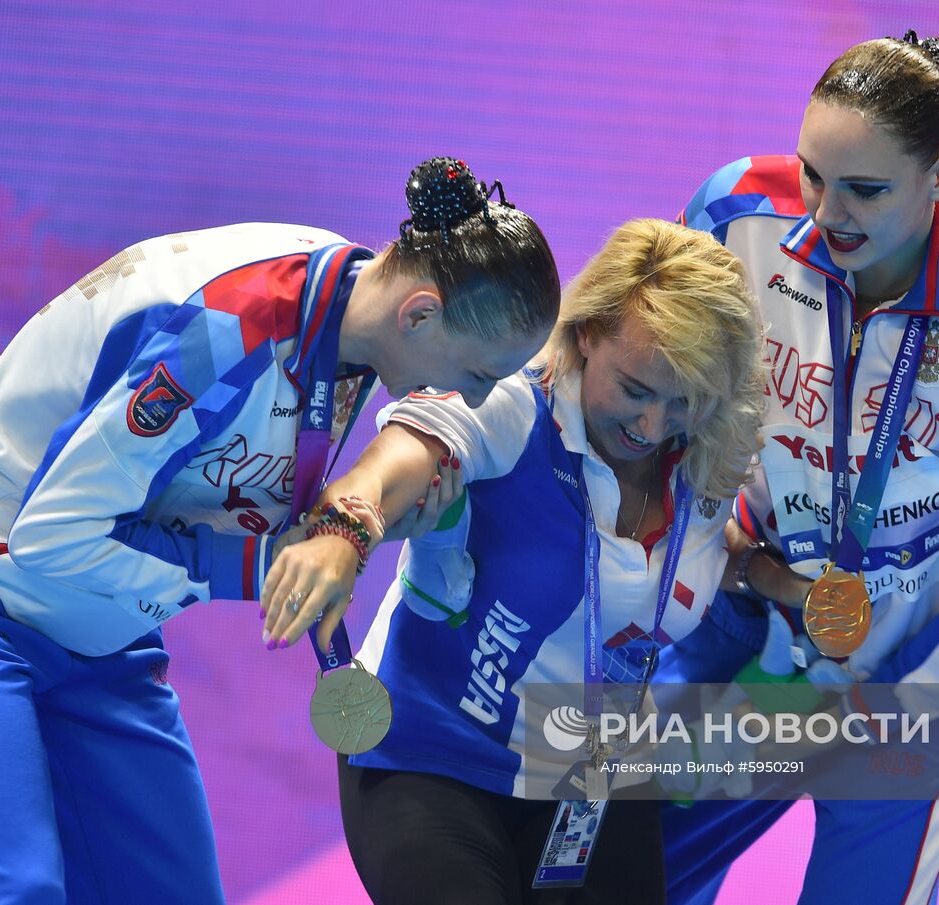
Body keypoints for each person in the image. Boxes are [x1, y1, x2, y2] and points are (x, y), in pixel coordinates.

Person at [0, 156, 560, 904]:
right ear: (419, 313)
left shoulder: (348, 316)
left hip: (97, 636)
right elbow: (52, 535)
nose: (472, 398)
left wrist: (328, 544)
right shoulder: (222, 333)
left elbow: (225, 480)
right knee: (7, 892)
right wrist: (258, 567)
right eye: (479, 374)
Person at [659, 32, 939, 905]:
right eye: (814, 173)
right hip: (736, 617)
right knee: (631, 875)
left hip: (914, 661)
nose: (826, 214)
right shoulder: (735, 214)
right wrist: (714, 559)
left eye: (865, 189)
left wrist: (896, 693)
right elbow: (655, 409)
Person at [259, 218, 767, 904]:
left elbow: (678, 567)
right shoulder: (511, 401)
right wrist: (343, 528)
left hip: (590, 776)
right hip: (431, 755)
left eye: (682, 400)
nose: (652, 426)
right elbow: (406, 455)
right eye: (636, 389)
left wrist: (770, 576)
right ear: (588, 332)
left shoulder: (707, 451)